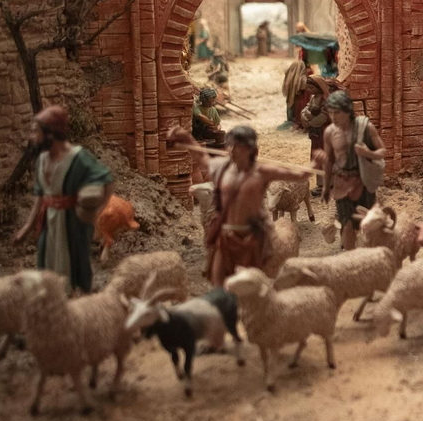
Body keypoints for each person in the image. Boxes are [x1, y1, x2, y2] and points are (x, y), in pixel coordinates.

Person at [165, 124, 314, 285]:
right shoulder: (223, 167)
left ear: (250, 149)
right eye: (230, 145)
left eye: (237, 146)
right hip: (226, 237)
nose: (231, 150)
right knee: (218, 282)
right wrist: (186, 137)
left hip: (252, 239)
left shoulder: (262, 172)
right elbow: (202, 158)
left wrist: (316, 163)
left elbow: (300, 175)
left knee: (249, 286)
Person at [14, 106, 114, 294]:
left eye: (36, 132)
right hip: (49, 222)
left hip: (72, 223)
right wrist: (27, 227)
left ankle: (79, 308)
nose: (31, 137)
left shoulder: (78, 158)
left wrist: (97, 212)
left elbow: (107, 180)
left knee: (76, 265)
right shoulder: (42, 159)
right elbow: (41, 195)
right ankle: (54, 302)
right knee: (47, 263)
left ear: (51, 134)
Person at [322, 90, 384, 250]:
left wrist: (367, 153)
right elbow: (329, 161)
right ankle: (351, 260)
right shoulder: (329, 132)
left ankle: (371, 255)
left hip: (363, 182)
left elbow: (383, 152)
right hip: (342, 184)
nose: (333, 117)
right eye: (330, 113)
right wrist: (325, 187)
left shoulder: (366, 128)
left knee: (368, 223)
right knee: (347, 225)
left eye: (337, 112)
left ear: (348, 110)